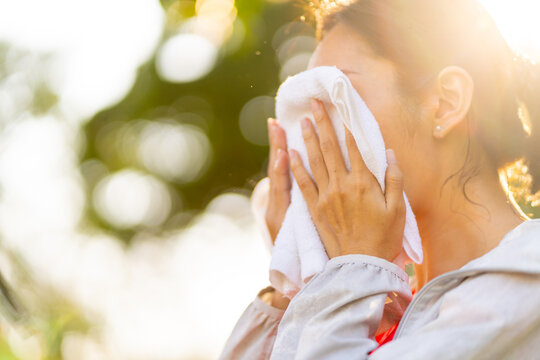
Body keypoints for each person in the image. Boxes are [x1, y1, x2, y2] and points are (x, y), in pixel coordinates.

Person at [220, 0, 540, 358]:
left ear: (447, 103)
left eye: (336, 92)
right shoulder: (378, 303)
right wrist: (299, 281)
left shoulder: (527, 279)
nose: (312, 129)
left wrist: (351, 267)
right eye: (306, 102)